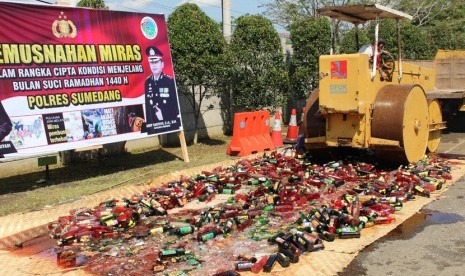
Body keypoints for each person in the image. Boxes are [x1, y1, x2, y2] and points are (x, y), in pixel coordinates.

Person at [144, 46, 181, 134]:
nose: (154, 65)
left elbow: (175, 107)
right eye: (151, 63)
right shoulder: (147, 82)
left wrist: (163, 115)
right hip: (154, 125)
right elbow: (148, 108)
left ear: (162, 64)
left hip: (169, 123)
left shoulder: (169, 81)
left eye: (156, 62)